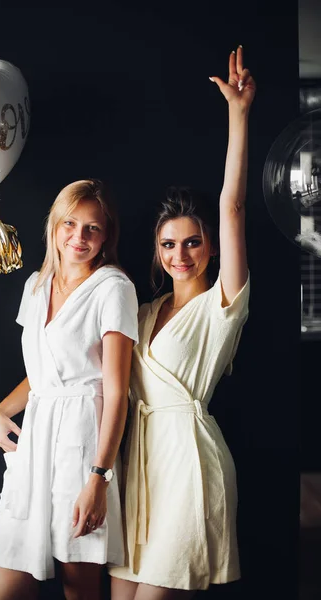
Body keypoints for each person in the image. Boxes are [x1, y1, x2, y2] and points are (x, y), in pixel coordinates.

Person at [110, 46, 256, 599]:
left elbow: (233, 204)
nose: (180, 253)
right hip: (139, 467)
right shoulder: (141, 312)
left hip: (189, 464)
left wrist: (238, 114)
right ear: (156, 248)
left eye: (193, 242)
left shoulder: (223, 301)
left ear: (211, 247)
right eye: (169, 244)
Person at [0, 180, 139, 600]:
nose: (79, 236)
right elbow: (43, 372)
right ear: (54, 226)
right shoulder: (35, 286)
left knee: (79, 584)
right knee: (8, 578)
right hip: (36, 438)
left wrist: (98, 478)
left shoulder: (113, 288)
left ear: (107, 234)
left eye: (93, 227)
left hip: (84, 441)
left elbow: (116, 390)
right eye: (70, 223)